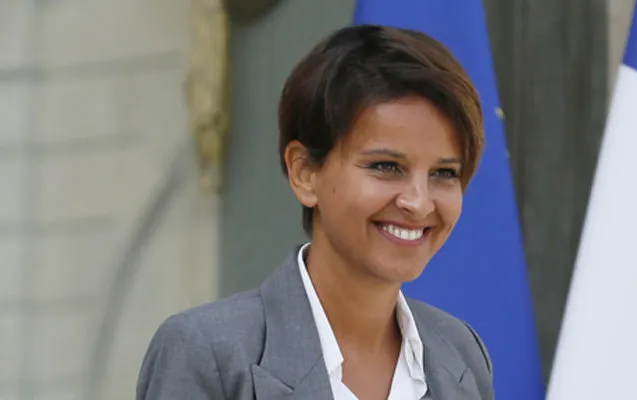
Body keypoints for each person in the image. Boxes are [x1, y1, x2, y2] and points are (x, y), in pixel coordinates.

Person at [136, 24, 493, 400]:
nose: (418, 202)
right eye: (386, 166)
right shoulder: (207, 352)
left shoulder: (462, 353)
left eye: (443, 173)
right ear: (305, 173)